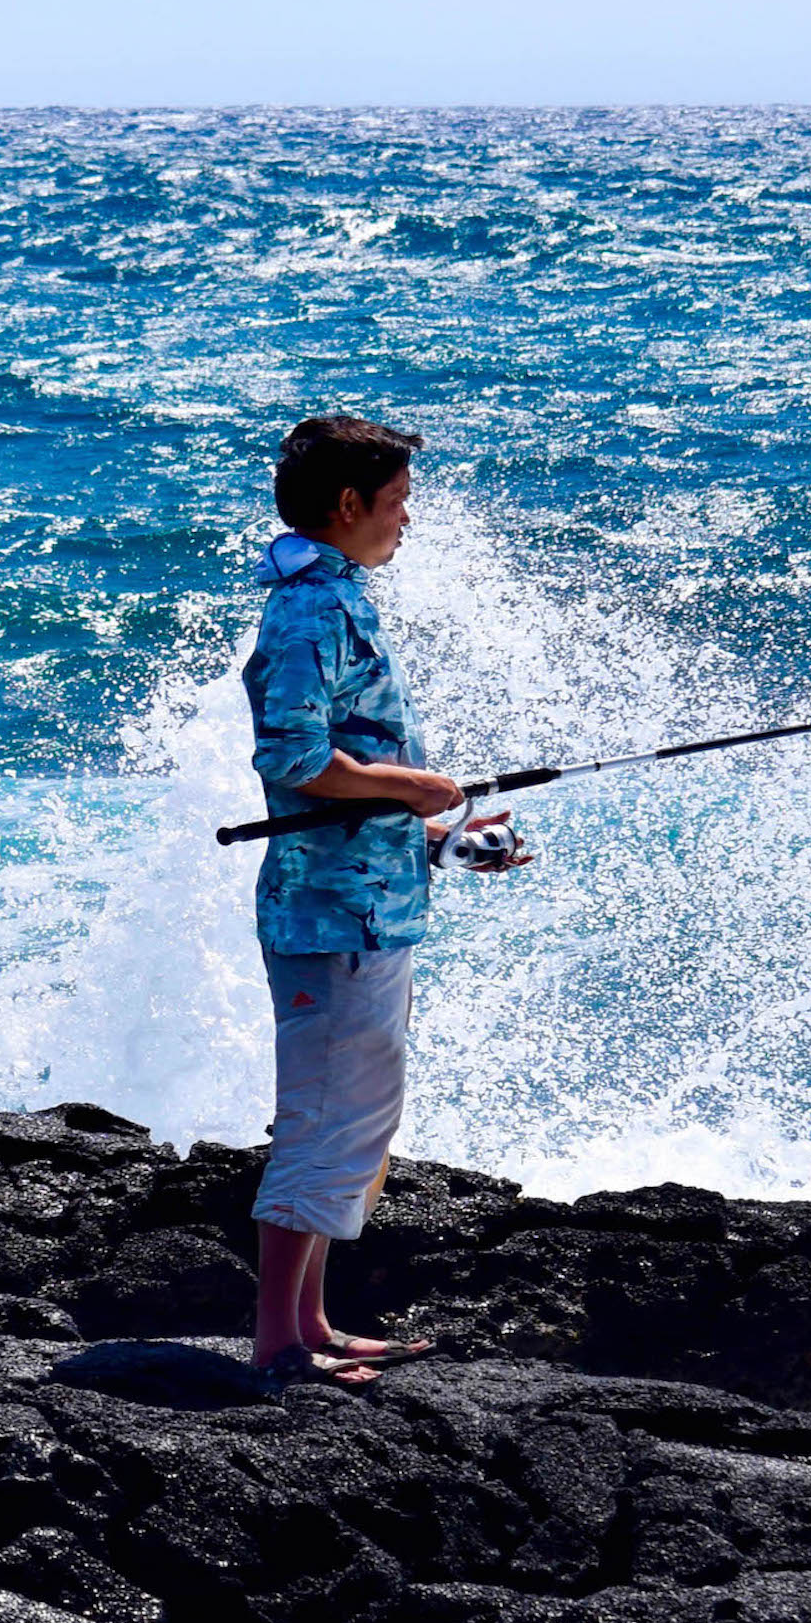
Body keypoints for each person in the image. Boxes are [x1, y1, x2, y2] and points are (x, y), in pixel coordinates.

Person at [241, 410, 525, 1387]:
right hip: (331, 922)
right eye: (397, 501)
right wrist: (413, 788)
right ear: (349, 503)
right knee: (321, 1124)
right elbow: (295, 761)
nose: (406, 519)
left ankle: (311, 1321)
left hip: (369, 906)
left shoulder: (335, 595)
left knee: (357, 1123)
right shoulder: (309, 614)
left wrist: (444, 836)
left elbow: (347, 770)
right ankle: (279, 1341)